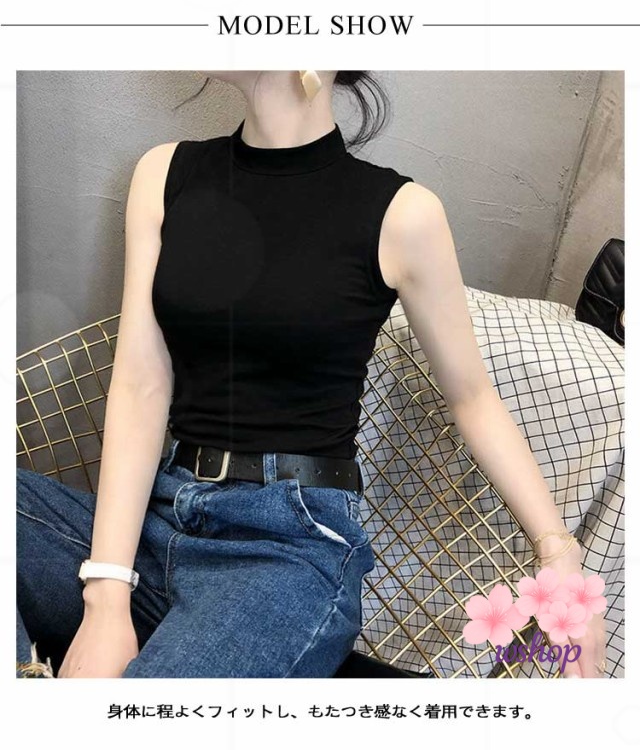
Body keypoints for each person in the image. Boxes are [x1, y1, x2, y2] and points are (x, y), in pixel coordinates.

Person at [16, 70, 607, 679]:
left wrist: (559, 552)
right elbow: (142, 384)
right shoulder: (164, 174)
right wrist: (107, 593)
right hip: (158, 517)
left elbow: (473, 397)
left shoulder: (402, 214)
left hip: (287, 549)